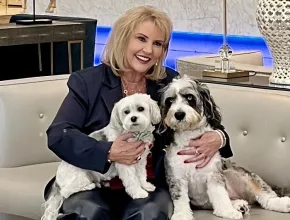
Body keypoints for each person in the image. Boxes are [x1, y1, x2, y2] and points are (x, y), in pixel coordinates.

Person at [45, 5, 233, 220]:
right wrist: (108, 151)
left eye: (157, 44)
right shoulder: (87, 82)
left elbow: (209, 121)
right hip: (95, 181)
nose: (148, 50)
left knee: (149, 215)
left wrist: (219, 138)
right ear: (123, 38)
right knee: (89, 213)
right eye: (141, 39)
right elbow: (59, 134)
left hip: (150, 183)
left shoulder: (169, 83)